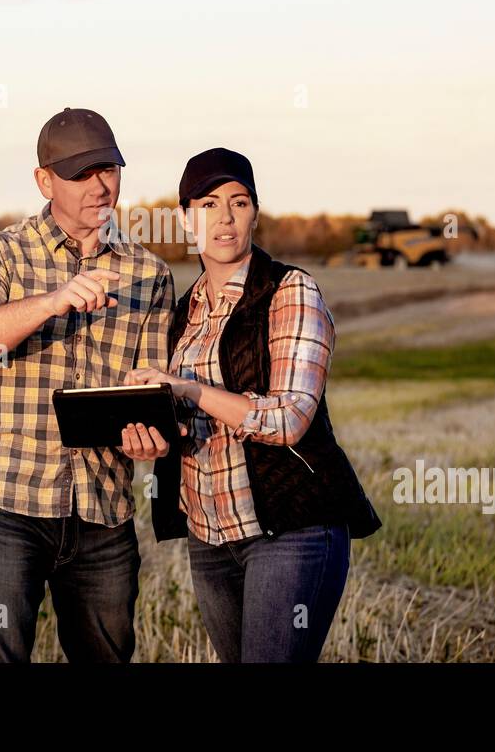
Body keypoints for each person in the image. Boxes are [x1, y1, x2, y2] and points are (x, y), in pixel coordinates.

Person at [125, 147, 382, 662]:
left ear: (255, 213)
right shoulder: (180, 313)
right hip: (210, 536)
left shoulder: (290, 291)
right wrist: (148, 427)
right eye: (208, 204)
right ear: (184, 217)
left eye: (239, 203)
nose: (224, 218)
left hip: (290, 530)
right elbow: (180, 419)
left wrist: (188, 389)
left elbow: (288, 419)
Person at [0, 107, 175, 662]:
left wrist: (155, 439)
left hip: (103, 511)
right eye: (80, 173)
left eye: (108, 169)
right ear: (44, 181)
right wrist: (51, 301)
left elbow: (155, 397)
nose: (100, 185)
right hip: (4, 505)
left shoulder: (150, 274)